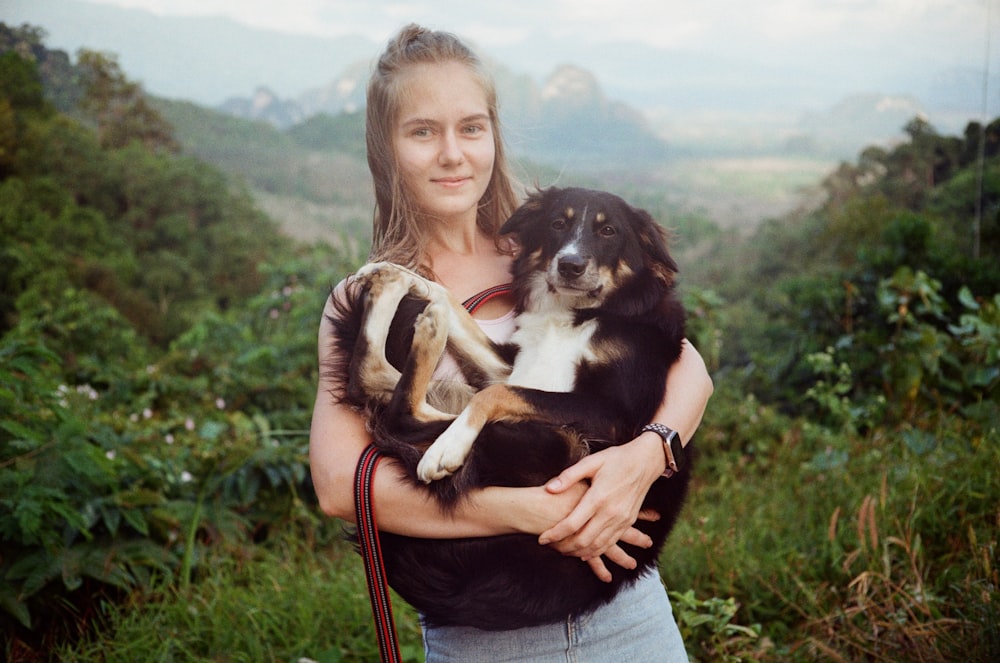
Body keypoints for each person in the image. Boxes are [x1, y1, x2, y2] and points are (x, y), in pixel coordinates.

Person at [308, 23, 714, 662]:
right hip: (487, 635)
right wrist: (526, 511)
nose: (452, 154)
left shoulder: (544, 256)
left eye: (471, 128)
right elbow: (339, 487)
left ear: (492, 134)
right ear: (385, 148)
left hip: (628, 615)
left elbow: (688, 369)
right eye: (422, 131)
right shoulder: (369, 298)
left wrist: (645, 456)